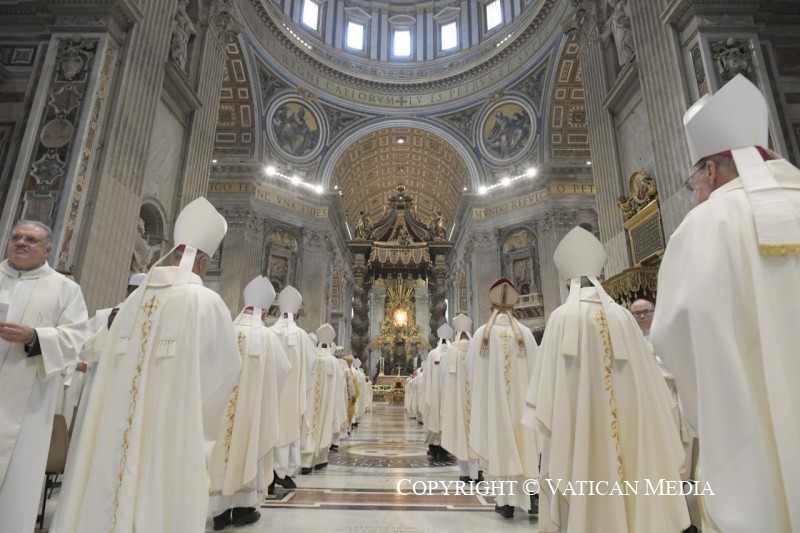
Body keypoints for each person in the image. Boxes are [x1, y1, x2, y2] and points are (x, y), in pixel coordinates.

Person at [650, 74, 800, 533]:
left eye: (693, 179)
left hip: (749, 439)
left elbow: (672, 342)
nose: (695, 190)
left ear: (711, 171)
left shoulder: (704, 224)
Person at [51, 197, 242, 533]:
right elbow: (225, 370)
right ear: (202, 263)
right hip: (171, 423)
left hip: (114, 421)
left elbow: (97, 352)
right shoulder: (207, 301)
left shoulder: (131, 302)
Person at [524, 226, 690, 532]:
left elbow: (546, 394)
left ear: (567, 284)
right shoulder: (624, 316)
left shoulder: (562, 318)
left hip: (580, 430)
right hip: (632, 428)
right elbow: (652, 387)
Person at [0, 220, 88, 532]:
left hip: (28, 405)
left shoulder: (65, 289)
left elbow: (77, 337)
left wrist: (35, 337)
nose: (21, 243)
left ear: (48, 249)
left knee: (15, 483)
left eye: (31, 240)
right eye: (17, 237)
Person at [209, 275, 289, 530]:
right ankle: (243, 508)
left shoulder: (227, 330)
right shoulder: (267, 338)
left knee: (220, 448)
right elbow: (282, 372)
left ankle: (218, 512)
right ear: (265, 312)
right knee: (249, 443)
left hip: (220, 412)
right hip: (253, 414)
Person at [466, 278, 540, 518]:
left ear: (491, 306)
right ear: (514, 307)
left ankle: (505, 502)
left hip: (495, 406)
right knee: (525, 444)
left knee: (500, 442)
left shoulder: (481, 336)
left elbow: (470, 370)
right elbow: (538, 371)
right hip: (524, 406)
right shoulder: (527, 335)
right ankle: (531, 497)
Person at [269, 285, 317, 491]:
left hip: (270, 394)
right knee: (288, 427)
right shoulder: (302, 336)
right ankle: (284, 471)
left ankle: (267, 473)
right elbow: (312, 365)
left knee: (269, 426)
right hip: (292, 395)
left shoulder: (268, 333)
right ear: (296, 314)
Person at [439, 313, 481, 482]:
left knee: (460, 434)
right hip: (476, 401)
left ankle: (464, 473)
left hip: (457, 402)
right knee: (477, 432)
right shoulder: (477, 350)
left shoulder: (451, 352)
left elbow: (444, 378)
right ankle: (476, 472)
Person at [300, 323, 339, 473]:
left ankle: (305, 461)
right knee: (324, 421)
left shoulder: (312, 358)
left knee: (309, 423)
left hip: (309, 400)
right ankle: (321, 458)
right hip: (327, 403)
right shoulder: (334, 362)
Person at [422, 323, 452, 461]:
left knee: (434, 415)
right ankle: (445, 448)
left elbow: (426, 376)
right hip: (449, 394)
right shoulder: (454, 353)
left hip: (434, 394)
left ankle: (433, 446)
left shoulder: (433, 354)